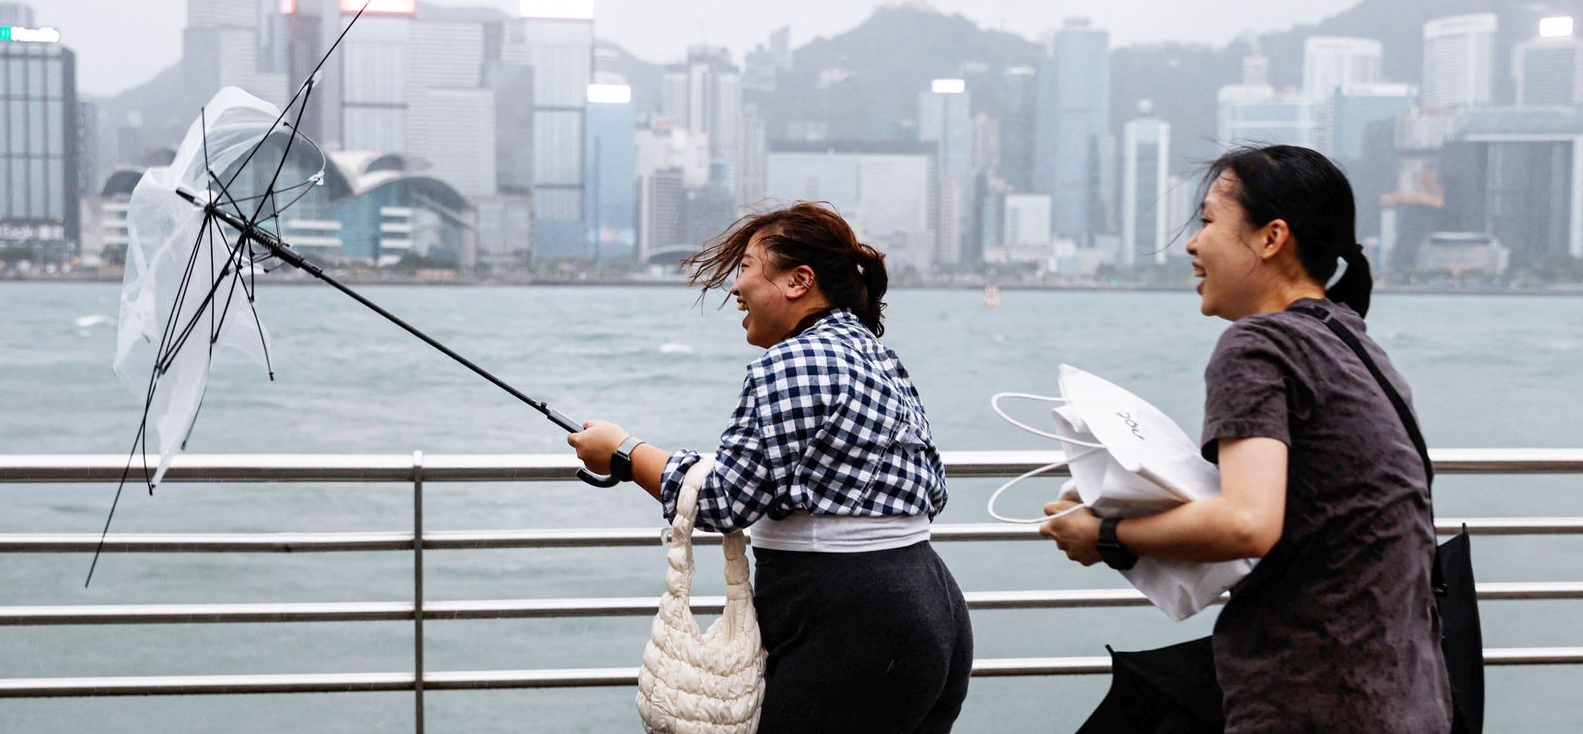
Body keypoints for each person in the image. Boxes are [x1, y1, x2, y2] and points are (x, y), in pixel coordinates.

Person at [1040, 145, 1453, 733]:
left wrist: (1105, 534)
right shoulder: (1355, 343)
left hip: (1316, 697)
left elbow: (1248, 524)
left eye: (1207, 221)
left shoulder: (1258, 345)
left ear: (1270, 238)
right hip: (1409, 692)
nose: (1191, 243)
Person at [568, 202, 973, 734]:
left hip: (852, 618)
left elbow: (724, 501)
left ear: (799, 281)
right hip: (929, 604)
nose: (735, 289)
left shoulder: (794, 360)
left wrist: (624, 452)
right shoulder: (872, 353)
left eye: (747, 269)